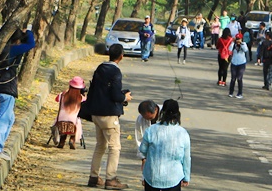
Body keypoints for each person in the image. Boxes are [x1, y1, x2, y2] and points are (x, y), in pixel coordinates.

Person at [87, 43, 132, 189]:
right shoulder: (115, 72)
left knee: (100, 145)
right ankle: (111, 179)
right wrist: (125, 97)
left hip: (96, 113)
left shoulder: (100, 68)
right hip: (109, 116)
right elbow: (115, 95)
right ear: (121, 56)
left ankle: (94, 177)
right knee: (114, 147)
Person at [0, 27, 36, 160]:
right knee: (3, 119)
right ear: (18, 40)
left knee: (9, 119)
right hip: (6, 88)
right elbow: (31, 44)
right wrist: (29, 32)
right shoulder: (13, 49)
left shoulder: (1, 48)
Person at [140, 99, 191, 190]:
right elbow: (186, 158)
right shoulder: (183, 133)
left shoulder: (151, 130)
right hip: (173, 179)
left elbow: (143, 150)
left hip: (152, 178)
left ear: (162, 112)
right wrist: (186, 177)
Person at [55, 76, 86, 149]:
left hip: (60, 122)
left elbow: (56, 99)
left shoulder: (62, 95)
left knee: (64, 122)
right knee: (77, 121)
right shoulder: (81, 98)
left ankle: (62, 141)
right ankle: (72, 139)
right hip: (73, 123)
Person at [228, 31, 248, 98]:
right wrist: (233, 42)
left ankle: (240, 93)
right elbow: (229, 49)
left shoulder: (244, 44)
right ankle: (231, 92)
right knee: (233, 78)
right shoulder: (233, 44)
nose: (238, 40)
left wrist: (241, 43)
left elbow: (246, 50)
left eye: (239, 39)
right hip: (234, 63)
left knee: (239, 78)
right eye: (237, 39)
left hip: (241, 63)